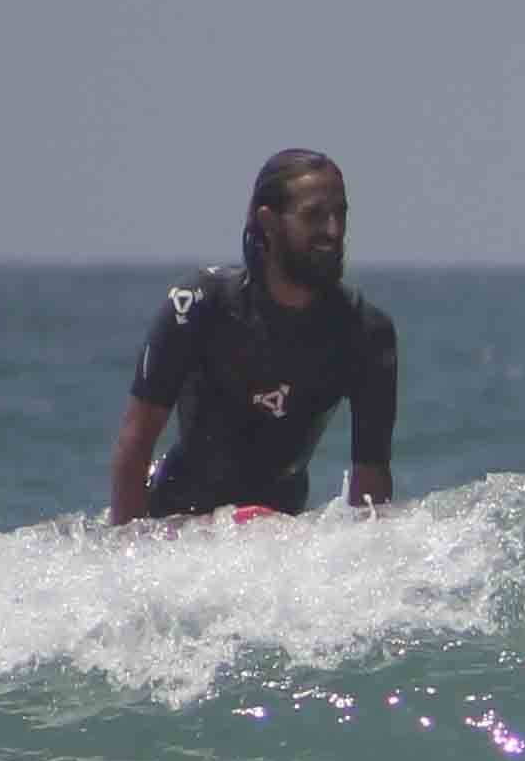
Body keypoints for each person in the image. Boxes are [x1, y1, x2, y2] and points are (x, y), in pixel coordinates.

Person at [107, 148, 399, 522]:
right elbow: (136, 442)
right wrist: (126, 557)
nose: (333, 230)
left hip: (275, 540)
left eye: (340, 213)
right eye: (314, 216)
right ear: (269, 223)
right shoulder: (198, 305)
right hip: (176, 524)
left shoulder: (365, 332)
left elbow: (371, 483)